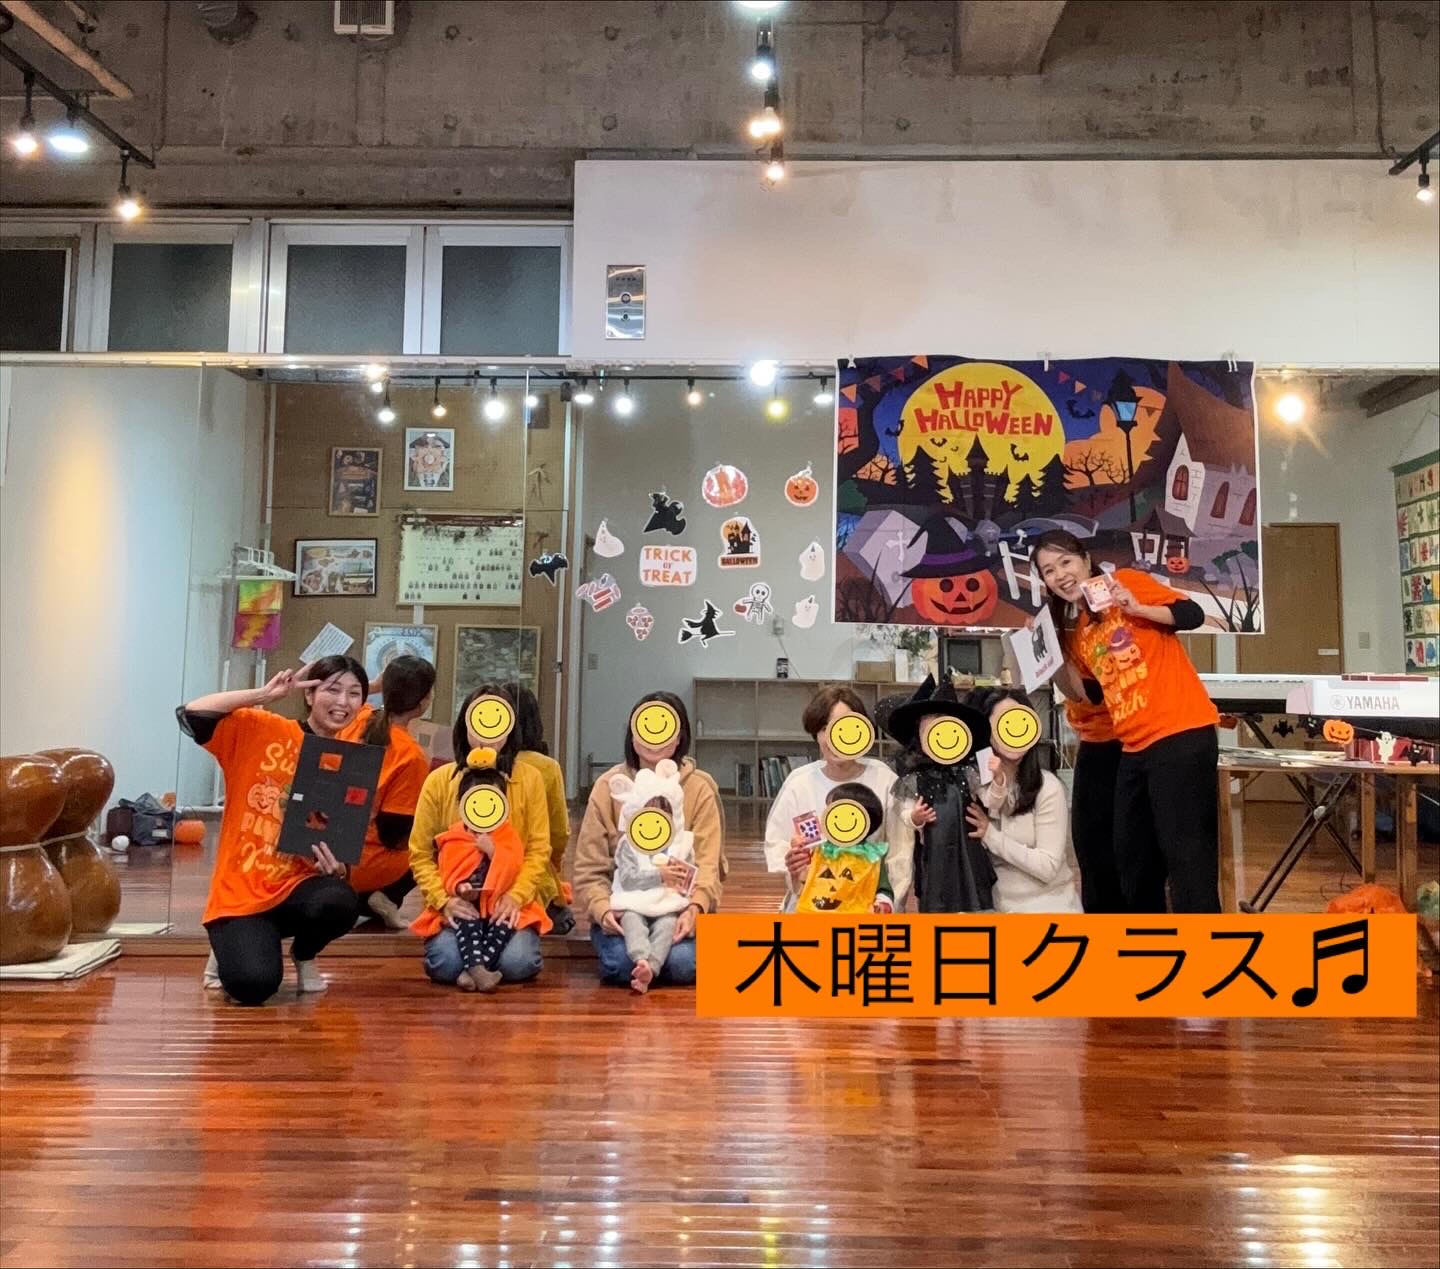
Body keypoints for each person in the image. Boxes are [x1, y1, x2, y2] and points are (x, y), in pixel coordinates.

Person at [1032, 529, 1220, 913]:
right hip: (1133, 747)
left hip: (1179, 733)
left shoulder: (1127, 582)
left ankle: (1204, 945)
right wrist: (1048, 660)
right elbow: (1093, 694)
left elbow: (1191, 614)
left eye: (1065, 562)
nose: (1060, 575)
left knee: (1188, 862)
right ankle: (1143, 942)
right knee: (1133, 862)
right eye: (1049, 570)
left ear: (1086, 560)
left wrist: (1138, 608)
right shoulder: (1082, 631)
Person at [178, 657, 366, 1005]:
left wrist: (337, 869)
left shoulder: (351, 764)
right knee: (253, 986)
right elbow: (194, 713)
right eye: (333, 689)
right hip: (241, 892)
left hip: (296, 889)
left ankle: (304, 955)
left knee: (341, 901)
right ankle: (228, 946)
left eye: (354, 694)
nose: (343, 702)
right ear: (309, 695)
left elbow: (342, 850)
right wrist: (264, 695)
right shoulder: (262, 728)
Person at [573, 691, 727, 987]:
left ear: (679, 737)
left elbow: (709, 864)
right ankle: (647, 964)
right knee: (620, 964)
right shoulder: (608, 787)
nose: (654, 738)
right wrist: (602, 909)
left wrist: (695, 908)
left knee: (682, 964)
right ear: (632, 736)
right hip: (625, 908)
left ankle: (655, 964)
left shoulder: (700, 788)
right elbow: (588, 867)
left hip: (678, 908)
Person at [408, 684, 552, 986]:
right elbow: (420, 853)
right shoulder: (439, 781)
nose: (488, 732)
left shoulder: (530, 779)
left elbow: (539, 850)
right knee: (445, 963)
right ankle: (478, 962)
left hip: (509, 901)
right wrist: (443, 900)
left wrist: (515, 897)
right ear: (464, 726)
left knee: (519, 963)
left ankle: (479, 963)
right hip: (457, 900)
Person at [764, 685, 905, 912]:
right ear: (816, 734)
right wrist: (794, 864)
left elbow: (900, 855)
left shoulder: (884, 780)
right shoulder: (799, 783)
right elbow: (778, 844)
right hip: (810, 907)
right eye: (824, 728)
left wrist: (886, 904)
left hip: (867, 908)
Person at [882, 674, 996, 912]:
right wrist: (915, 818)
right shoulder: (914, 778)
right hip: (934, 851)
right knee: (935, 897)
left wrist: (999, 780)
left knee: (973, 896)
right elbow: (903, 812)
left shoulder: (969, 771)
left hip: (968, 846)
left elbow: (991, 798)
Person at [965, 687, 1083, 913]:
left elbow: (1047, 867)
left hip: (1050, 905)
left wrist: (991, 835)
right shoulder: (974, 786)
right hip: (994, 908)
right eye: (1004, 722)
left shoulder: (1047, 787)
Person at [338, 655, 436, 929]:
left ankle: (365, 898)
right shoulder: (411, 756)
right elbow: (394, 834)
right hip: (365, 864)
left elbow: (352, 698)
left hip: (331, 852)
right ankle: (386, 896)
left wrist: (375, 685)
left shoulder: (356, 719)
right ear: (423, 701)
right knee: (441, 837)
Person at [606, 759, 695, 993]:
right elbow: (628, 878)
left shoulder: (682, 844)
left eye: (664, 815)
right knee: (632, 922)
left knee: (667, 926)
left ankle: (650, 968)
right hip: (633, 902)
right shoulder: (628, 845)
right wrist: (659, 876)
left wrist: (688, 891)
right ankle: (640, 959)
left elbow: (691, 875)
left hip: (667, 905)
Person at [508, 681, 574, 934]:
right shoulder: (546, 767)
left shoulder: (475, 765)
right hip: (534, 878)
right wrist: (552, 868)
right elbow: (558, 833)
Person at [793, 783, 896, 914]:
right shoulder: (820, 848)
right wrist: (800, 851)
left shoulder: (872, 856)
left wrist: (883, 904)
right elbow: (803, 879)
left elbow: (884, 889)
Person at [1065, 696, 1125, 913]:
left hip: (1136, 740)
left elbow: (1091, 695)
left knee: (1133, 866)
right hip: (1094, 742)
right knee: (1094, 860)